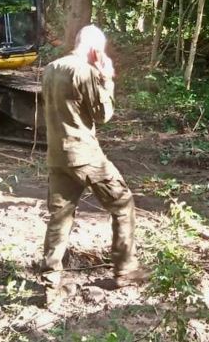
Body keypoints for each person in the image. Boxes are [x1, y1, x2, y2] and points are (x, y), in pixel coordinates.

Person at [40, 25, 146, 303]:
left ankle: (51, 286)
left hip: (57, 156)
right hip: (84, 155)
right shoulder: (84, 70)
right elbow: (103, 115)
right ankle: (126, 269)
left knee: (59, 220)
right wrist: (107, 78)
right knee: (123, 204)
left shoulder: (51, 67)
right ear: (94, 48)